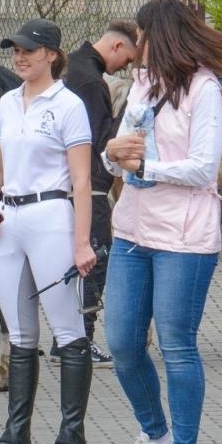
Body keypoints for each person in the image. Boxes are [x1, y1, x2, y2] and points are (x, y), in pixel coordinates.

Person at [100, 0, 222, 444]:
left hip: (184, 236)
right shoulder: (141, 84)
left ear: (160, 35)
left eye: (141, 34)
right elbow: (118, 154)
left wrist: (146, 169)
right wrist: (112, 156)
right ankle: (154, 433)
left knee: (178, 345)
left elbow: (205, 167)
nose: (135, 44)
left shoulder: (205, 90)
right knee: (121, 342)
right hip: (133, 231)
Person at [0, 19, 97, 444]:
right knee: (20, 333)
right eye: (15, 51)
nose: (19, 57)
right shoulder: (7, 103)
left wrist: (81, 242)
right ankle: (16, 436)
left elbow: (82, 180)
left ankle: (70, 437)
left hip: (50, 215)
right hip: (10, 218)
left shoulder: (68, 105)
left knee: (67, 329)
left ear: (51, 55)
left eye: (28, 50)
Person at [60, 19, 140, 366]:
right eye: (128, 60)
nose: (127, 67)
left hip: (71, 185)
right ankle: (83, 339)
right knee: (96, 259)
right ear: (117, 47)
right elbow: (99, 138)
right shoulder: (92, 82)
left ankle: (66, 339)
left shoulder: (73, 69)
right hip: (89, 186)